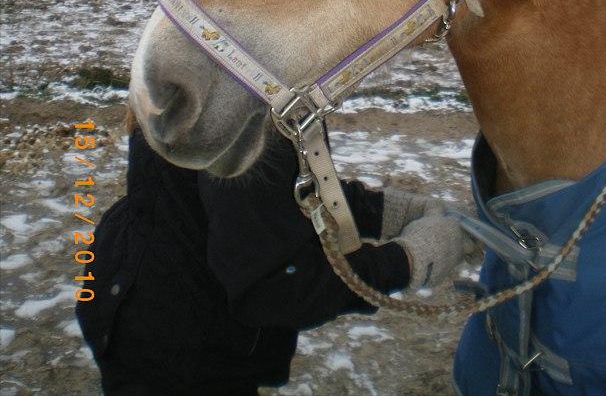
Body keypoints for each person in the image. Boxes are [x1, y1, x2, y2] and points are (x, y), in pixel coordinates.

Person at [76, 110, 464, 396]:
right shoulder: (245, 106)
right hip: (181, 350)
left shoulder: (229, 63)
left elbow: (279, 194)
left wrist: (384, 212)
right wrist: (408, 259)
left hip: (139, 294)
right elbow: (274, 285)